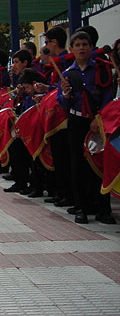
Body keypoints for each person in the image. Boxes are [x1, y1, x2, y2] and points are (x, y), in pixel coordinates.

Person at [57, 31, 115, 225]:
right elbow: (62, 104)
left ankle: (103, 208)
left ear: (91, 48)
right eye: (78, 45)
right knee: (77, 165)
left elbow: (108, 95)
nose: (81, 48)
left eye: (85, 44)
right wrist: (65, 95)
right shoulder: (66, 74)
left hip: (99, 122)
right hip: (77, 121)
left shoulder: (102, 69)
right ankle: (81, 207)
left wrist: (100, 118)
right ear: (72, 49)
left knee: (101, 164)